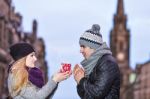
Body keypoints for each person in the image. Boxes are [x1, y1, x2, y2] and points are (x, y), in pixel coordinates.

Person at [7, 42, 72, 99]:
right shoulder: (16, 76)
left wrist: (56, 79)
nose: (35, 59)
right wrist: (54, 80)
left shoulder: (28, 75)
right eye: (32, 55)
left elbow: (44, 96)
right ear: (22, 58)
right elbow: (37, 97)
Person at [73, 24, 120, 99]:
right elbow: (85, 95)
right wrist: (79, 81)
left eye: (83, 46)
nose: (80, 50)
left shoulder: (108, 63)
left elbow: (98, 93)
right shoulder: (92, 64)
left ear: (93, 47)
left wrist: (82, 80)